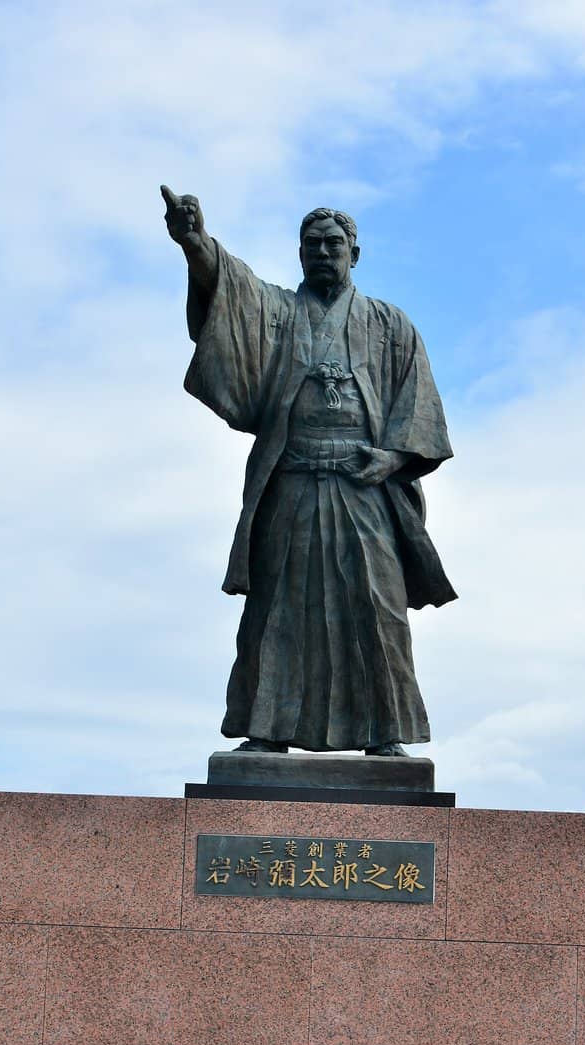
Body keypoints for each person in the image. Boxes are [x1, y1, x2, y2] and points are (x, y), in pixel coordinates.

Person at [161, 186, 456, 756]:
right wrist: (196, 243)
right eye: (312, 244)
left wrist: (392, 459)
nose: (323, 252)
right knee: (276, 610)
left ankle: (387, 736)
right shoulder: (277, 313)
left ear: (355, 253)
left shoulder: (390, 326)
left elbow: (420, 412)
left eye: (334, 244)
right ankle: (267, 732)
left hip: (363, 488)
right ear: (299, 253)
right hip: (291, 483)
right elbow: (230, 290)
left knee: (378, 610)